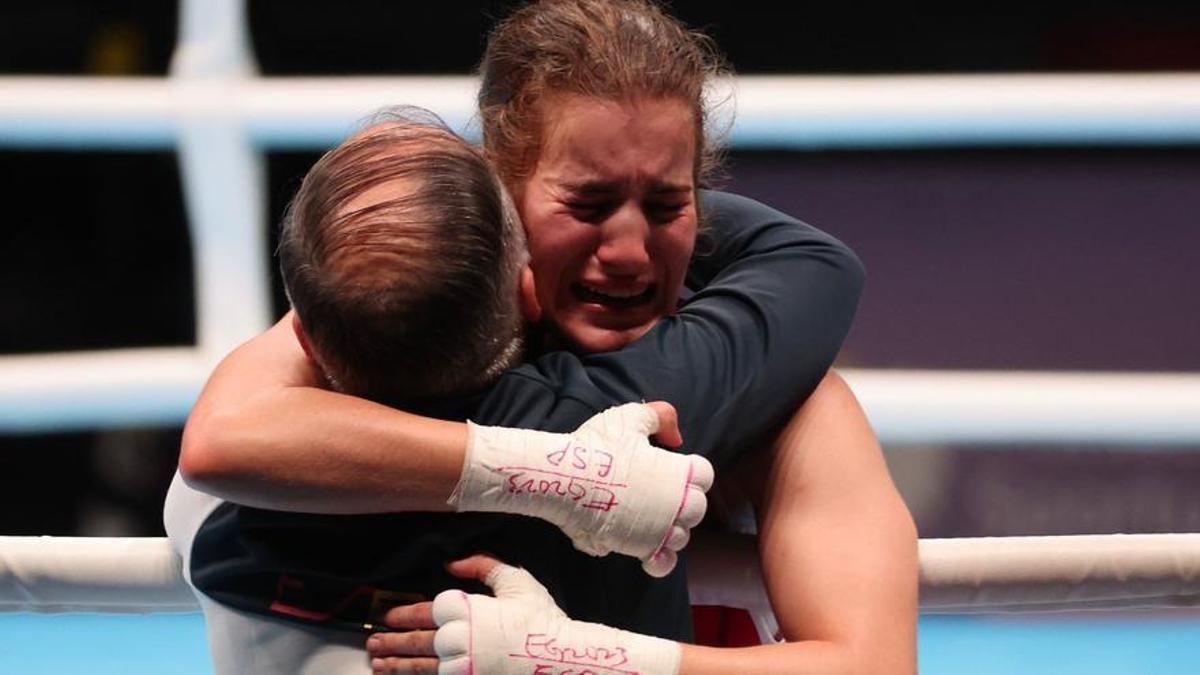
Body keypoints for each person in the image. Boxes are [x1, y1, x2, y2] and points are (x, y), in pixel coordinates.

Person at [174, 0, 916, 672]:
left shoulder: (788, 404)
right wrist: (563, 472)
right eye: (588, 203)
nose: (627, 251)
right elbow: (224, 439)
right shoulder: (374, 357)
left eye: (666, 204)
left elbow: (874, 667)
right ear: (503, 194)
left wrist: (594, 662)